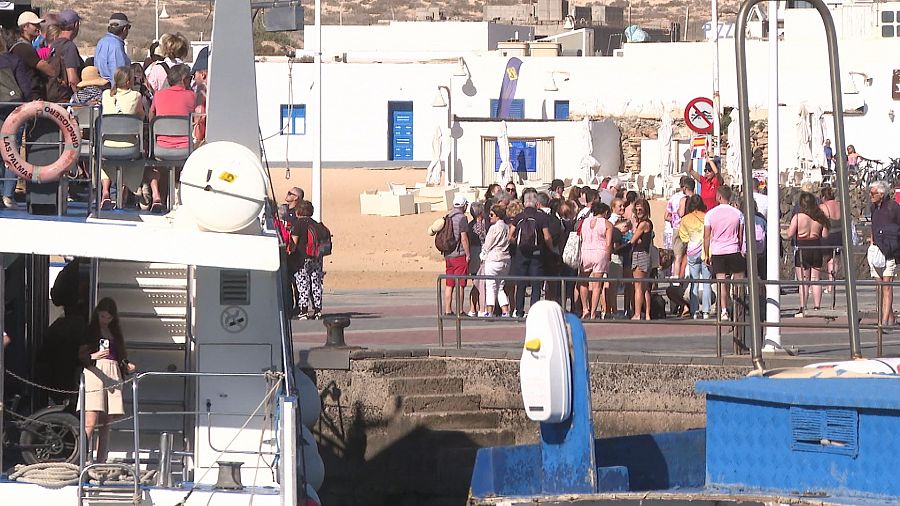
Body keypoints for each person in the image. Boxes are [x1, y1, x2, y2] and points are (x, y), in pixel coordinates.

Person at [79, 298, 136, 463]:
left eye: (108, 317)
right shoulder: (90, 331)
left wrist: (127, 365)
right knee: (90, 418)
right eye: (102, 316)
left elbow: (120, 357)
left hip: (113, 372)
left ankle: (101, 460)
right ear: (97, 314)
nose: (105, 320)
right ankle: (81, 459)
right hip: (94, 371)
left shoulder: (116, 333)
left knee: (106, 422)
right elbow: (80, 355)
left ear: (113, 318)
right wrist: (93, 356)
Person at [148, 64, 196, 212]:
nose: (190, 81)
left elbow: (151, 118)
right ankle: (184, 202)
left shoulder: (158, 95)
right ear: (183, 79)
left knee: (161, 166)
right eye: (189, 78)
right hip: (185, 148)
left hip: (161, 149)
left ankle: (160, 199)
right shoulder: (192, 96)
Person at [99, 65, 145, 210]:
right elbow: (141, 116)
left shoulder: (106, 94)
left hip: (107, 145)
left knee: (104, 160)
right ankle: (123, 194)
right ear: (128, 82)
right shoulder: (136, 96)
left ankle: (105, 192)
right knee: (132, 161)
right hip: (129, 147)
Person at [508, 191, 554, 317]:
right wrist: (550, 249)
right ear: (536, 203)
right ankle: (534, 312)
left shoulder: (519, 217)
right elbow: (547, 236)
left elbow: (510, 236)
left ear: (524, 203)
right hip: (536, 253)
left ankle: (519, 311)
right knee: (536, 283)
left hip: (521, 253)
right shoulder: (541, 217)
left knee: (521, 283)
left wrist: (518, 243)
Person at [703, 186, 745, 321]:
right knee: (738, 281)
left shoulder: (710, 214)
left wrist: (706, 253)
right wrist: (741, 249)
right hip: (733, 249)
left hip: (718, 251)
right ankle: (739, 307)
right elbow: (740, 235)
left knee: (722, 282)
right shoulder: (738, 213)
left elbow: (706, 236)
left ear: (719, 197)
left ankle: (724, 310)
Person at [0, 35, 31, 210]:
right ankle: (8, 196)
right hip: (13, 111)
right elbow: (24, 88)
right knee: (11, 152)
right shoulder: (14, 60)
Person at [788, 192, 829, 316]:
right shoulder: (820, 217)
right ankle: (817, 307)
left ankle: (803, 307)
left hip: (803, 247)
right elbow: (825, 235)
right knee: (816, 279)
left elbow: (789, 233)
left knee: (803, 280)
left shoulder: (798, 217)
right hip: (816, 246)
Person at [868, 180, 900, 327]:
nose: (870, 196)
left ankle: (884, 320)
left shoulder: (894, 208)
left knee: (887, 286)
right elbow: (873, 226)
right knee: (880, 287)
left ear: (881, 193)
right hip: (876, 250)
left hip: (889, 250)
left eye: (873, 193)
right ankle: (891, 317)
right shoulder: (874, 208)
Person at [578, 201, 613, 319]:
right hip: (600, 251)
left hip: (586, 251)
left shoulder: (585, 222)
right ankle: (593, 312)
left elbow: (581, 237)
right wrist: (608, 257)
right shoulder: (607, 224)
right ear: (606, 212)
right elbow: (608, 243)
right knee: (597, 285)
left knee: (583, 280)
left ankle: (585, 308)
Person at [291, 200, 325, 320]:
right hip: (317, 258)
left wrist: (289, 253)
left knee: (303, 284)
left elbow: (293, 243)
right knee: (316, 283)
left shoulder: (298, 224)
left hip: (302, 258)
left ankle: (303, 311)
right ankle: (317, 310)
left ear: (298, 211)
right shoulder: (316, 224)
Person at [679, 194, 711, 319]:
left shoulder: (685, 219)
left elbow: (683, 237)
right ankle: (706, 311)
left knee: (694, 282)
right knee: (707, 282)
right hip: (706, 251)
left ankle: (694, 310)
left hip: (692, 250)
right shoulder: (706, 217)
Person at [480, 204, 511, 317]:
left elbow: (487, 244)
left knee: (490, 286)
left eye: (492, 214)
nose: (490, 216)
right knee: (500, 286)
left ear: (497, 216)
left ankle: (489, 311)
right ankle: (505, 311)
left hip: (493, 258)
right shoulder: (507, 227)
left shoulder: (494, 228)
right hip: (505, 258)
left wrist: (483, 254)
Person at [442, 195, 471, 315]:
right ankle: (459, 309)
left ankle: (448, 310)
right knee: (460, 284)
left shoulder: (447, 216)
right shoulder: (462, 218)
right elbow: (464, 238)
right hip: (459, 255)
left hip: (448, 253)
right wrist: (468, 254)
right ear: (464, 205)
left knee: (449, 284)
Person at [629, 199, 653, 320]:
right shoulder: (648, 223)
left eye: (640, 209)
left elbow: (633, 240)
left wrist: (633, 232)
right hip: (646, 254)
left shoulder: (643, 224)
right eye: (636, 209)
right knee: (645, 287)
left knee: (638, 286)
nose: (638, 212)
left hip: (639, 255)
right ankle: (647, 314)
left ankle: (638, 313)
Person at [51, 9, 83, 95]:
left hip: (55, 94)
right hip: (66, 97)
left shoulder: (54, 44)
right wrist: (81, 99)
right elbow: (72, 80)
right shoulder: (69, 47)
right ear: (76, 25)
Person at [666, 176, 692, 279]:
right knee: (688, 255)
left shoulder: (678, 198)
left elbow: (667, 215)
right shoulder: (696, 198)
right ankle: (684, 276)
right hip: (692, 229)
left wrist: (675, 216)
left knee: (678, 256)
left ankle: (676, 277)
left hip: (678, 227)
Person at [94, 12, 131, 83]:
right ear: (124, 29)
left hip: (101, 88)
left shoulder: (101, 42)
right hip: (114, 90)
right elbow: (119, 75)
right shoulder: (116, 45)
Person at [819, 187, 842, 294]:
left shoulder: (823, 206)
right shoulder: (839, 205)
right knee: (835, 259)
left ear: (823, 197)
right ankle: (831, 284)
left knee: (826, 259)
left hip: (827, 234)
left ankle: (821, 284)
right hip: (839, 234)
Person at [466, 201, 487, 317]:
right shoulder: (483, 225)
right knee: (481, 283)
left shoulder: (470, 225)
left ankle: (473, 308)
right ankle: (480, 308)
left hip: (473, 253)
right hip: (480, 253)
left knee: (476, 282)